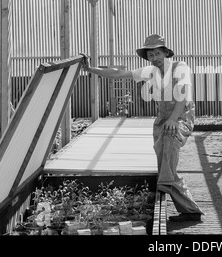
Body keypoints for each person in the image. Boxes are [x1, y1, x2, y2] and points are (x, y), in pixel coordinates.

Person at [82, 34, 203, 222]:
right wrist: (89, 68)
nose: (154, 58)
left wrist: (172, 120)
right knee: (164, 163)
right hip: (162, 118)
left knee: (168, 154)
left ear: (165, 52)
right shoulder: (150, 71)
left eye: (157, 53)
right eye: (151, 55)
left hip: (180, 116)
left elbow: (184, 95)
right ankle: (187, 208)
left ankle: (185, 205)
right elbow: (118, 73)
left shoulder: (181, 68)